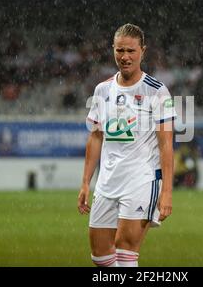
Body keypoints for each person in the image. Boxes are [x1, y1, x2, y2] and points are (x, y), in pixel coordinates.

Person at [77, 23, 176, 267]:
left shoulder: (157, 91)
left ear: (143, 51)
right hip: (108, 181)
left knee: (124, 249)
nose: (125, 57)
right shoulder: (102, 90)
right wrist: (85, 183)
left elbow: (166, 145)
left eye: (131, 51)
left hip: (141, 181)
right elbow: (96, 137)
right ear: (113, 50)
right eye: (120, 50)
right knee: (100, 255)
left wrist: (167, 192)